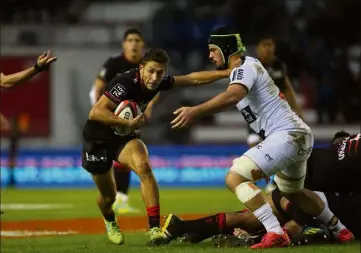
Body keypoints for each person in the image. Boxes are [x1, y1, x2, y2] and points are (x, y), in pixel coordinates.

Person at [170, 26, 353, 249]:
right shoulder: (246, 68)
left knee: (234, 178)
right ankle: (340, 230)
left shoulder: (244, 67)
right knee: (293, 192)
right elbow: (200, 80)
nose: (210, 55)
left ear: (226, 49)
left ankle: (275, 231)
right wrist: (170, 81)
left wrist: (195, 111)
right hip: (297, 136)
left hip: (286, 135)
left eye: (212, 50)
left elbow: (232, 97)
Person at [82, 48, 234, 245]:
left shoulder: (159, 82)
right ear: (142, 68)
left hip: (123, 139)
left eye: (160, 72)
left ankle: (154, 228)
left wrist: (226, 73)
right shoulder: (125, 82)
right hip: (98, 141)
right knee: (108, 197)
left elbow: (192, 79)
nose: (155, 77)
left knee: (144, 166)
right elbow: (95, 112)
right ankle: (110, 220)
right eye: (151, 71)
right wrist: (127, 123)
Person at [162, 131, 360, 246]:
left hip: (301, 172)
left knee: (253, 216)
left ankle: (185, 227)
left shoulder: (338, 149)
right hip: (317, 191)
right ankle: (254, 238)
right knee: (299, 222)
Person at [90, 28, 145, 214]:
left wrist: (147, 108)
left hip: (130, 116)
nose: (134, 43)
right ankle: (111, 197)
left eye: (137, 40)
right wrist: (101, 113)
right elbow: (97, 88)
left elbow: (155, 88)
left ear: (142, 44)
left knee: (126, 156)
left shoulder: (146, 66)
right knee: (110, 158)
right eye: (130, 40)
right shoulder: (114, 63)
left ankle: (121, 198)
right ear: (124, 44)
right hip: (110, 115)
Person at [247, 35, 303, 148]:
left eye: (270, 45)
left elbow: (287, 87)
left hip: (277, 112)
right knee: (254, 145)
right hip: (256, 113)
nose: (267, 48)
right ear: (257, 48)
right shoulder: (251, 66)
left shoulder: (279, 65)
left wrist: (296, 108)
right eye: (264, 45)